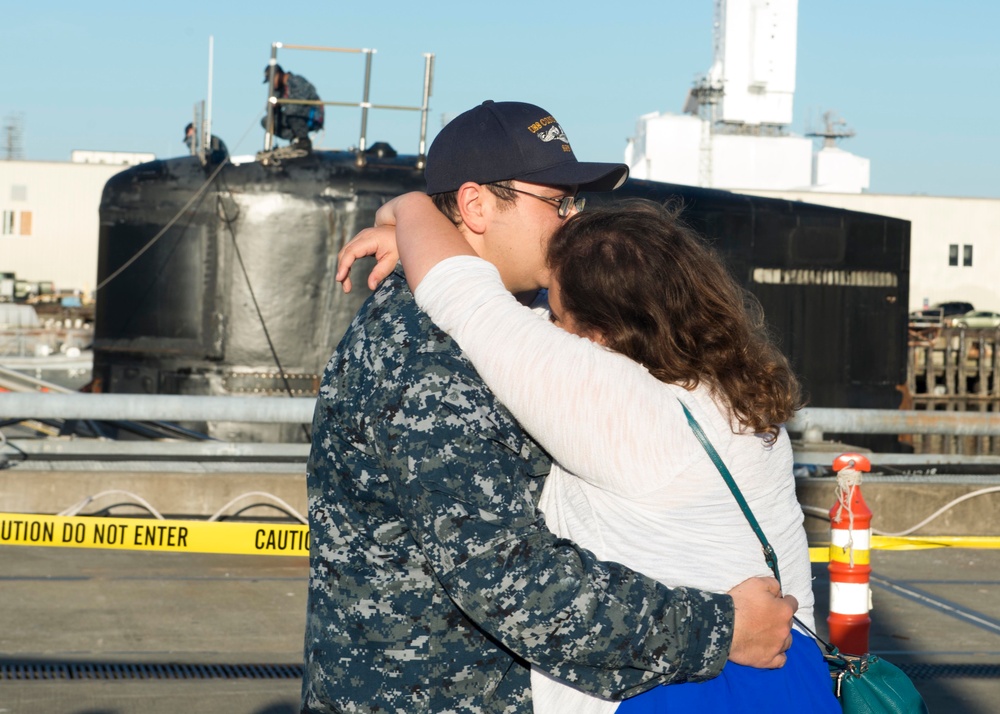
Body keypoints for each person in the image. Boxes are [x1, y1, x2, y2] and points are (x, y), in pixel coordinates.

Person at [304, 100, 798, 713]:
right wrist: (720, 629)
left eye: (576, 203)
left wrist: (412, 227)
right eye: (556, 202)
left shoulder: (516, 321)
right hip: (432, 695)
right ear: (477, 205)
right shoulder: (427, 356)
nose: (571, 222)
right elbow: (509, 580)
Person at [262, 64, 323, 152]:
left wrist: (281, 102)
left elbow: (300, 102)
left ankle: (303, 141)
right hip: (292, 116)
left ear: (278, 74)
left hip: (312, 115)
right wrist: (274, 106)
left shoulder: (297, 81)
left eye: (271, 80)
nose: (271, 84)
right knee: (267, 121)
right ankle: (294, 138)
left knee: (292, 111)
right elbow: (269, 110)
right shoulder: (279, 90)